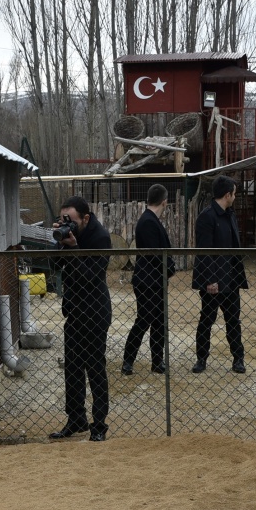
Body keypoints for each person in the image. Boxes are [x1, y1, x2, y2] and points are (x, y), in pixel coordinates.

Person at [48, 196, 112, 442]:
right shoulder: (68, 235)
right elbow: (55, 265)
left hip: (96, 311)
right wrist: (60, 241)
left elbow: (90, 277)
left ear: (85, 218)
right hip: (74, 311)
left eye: (72, 221)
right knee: (73, 369)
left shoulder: (101, 237)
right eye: (65, 221)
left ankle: (99, 425)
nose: (69, 225)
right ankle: (76, 419)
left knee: (95, 369)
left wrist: (74, 247)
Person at [192, 175, 248, 374]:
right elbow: (204, 251)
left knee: (233, 320)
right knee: (206, 319)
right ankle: (201, 358)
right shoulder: (206, 217)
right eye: (234, 193)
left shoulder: (230, 214)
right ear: (227, 194)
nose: (235, 196)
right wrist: (210, 279)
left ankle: (238, 358)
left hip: (231, 278)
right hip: (213, 281)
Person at [121, 184, 176, 375]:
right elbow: (155, 254)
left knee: (158, 321)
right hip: (148, 280)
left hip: (154, 279)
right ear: (164, 201)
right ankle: (128, 361)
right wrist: (169, 267)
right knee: (144, 320)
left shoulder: (150, 220)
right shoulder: (149, 221)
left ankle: (157, 361)